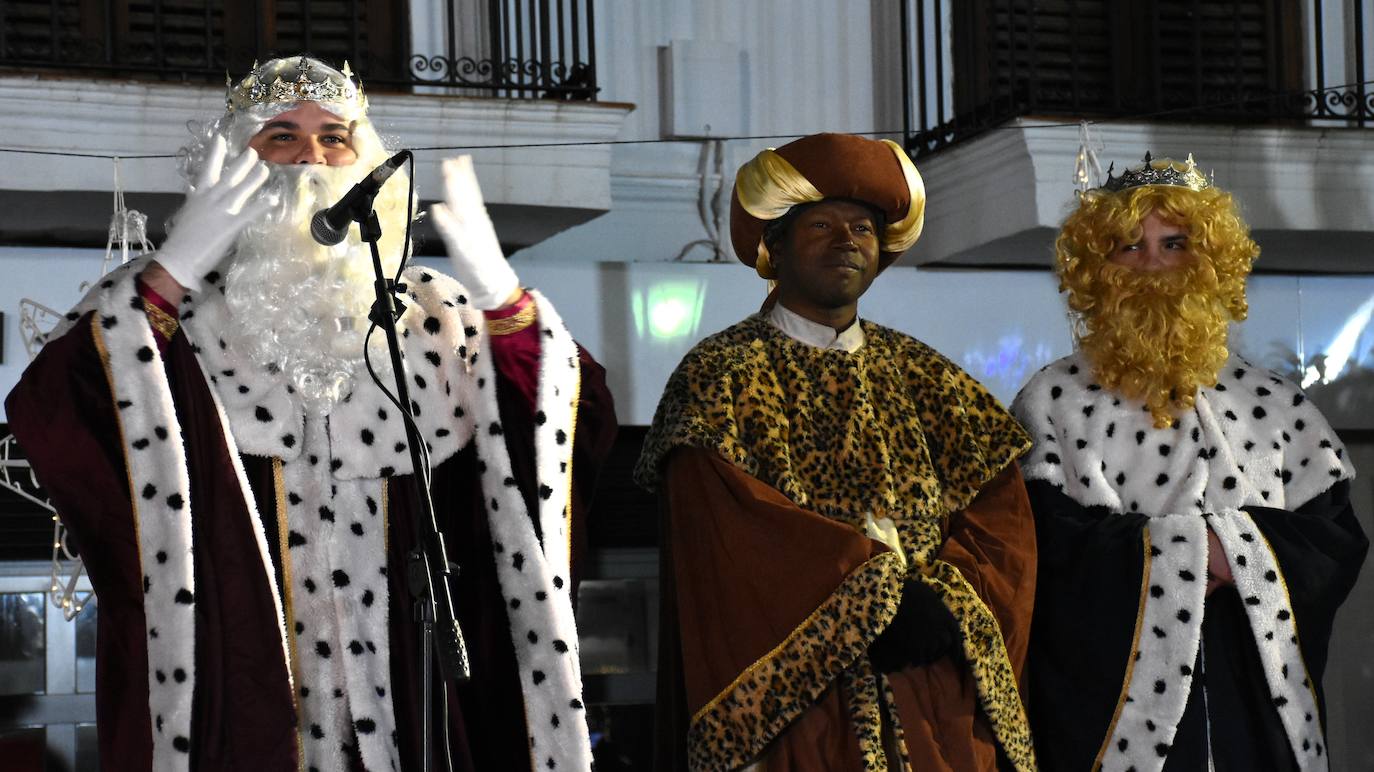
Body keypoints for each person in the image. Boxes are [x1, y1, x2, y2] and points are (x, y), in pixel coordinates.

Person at [5, 56, 616, 772]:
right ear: (234, 165)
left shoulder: (428, 317)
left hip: (413, 711)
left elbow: (563, 431)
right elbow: (56, 407)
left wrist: (505, 303)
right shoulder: (167, 321)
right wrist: (174, 268)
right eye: (281, 138)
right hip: (246, 713)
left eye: (334, 137)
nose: (313, 159)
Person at [636, 133, 1038, 771]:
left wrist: (945, 604)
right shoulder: (720, 376)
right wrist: (875, 600)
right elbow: (726, 528)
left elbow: (1002, 519)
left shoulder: (927, 376)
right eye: (821, 224)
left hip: (933, 699)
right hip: (800, 711)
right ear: (778, 245)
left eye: (863, 228)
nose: (846, 240)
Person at [1012, 154, 1367, 771]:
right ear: (1098, 270)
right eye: (1129, 246)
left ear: (1208, 261)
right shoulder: (1052, 401)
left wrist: (1237, 552)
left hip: (1253, 711)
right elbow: (1036, 546)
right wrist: (1190, 553)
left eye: (1173, 243)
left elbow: (1332, 542)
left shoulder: (1278, 406)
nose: (1153, 264)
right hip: (1110, 718)